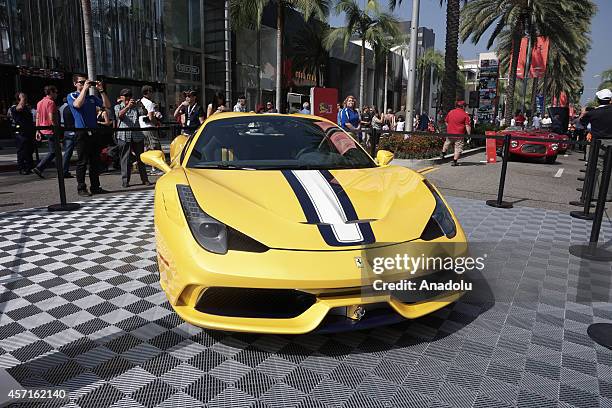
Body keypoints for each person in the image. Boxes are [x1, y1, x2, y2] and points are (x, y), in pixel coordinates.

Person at [67, 74, 112, 196]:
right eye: (81, 82)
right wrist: (85, 88)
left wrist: (101, 90)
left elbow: (107, 105)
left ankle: (95, 186)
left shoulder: (91, 98)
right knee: (82, 161)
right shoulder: (72, 96)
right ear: (75, 84)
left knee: (95, 161)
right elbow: (77, 105)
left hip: (94, 131)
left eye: (85, 82)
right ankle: (81, 188)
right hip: (81, 131)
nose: (83, 84)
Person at [115, 88, 150, 188]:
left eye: (130, 95)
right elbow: (119, 115)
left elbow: (145, 113)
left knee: (141, 159)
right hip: (123, 136)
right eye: (125, 96)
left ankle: (145, 179)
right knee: (125, 159)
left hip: (137, 136)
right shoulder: (118, 106)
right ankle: (125, 181)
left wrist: (141, 105)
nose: (128, 97)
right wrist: (127, 107)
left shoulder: (135, 107)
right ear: (121, 97)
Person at [31, 85, 59, 178]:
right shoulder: (51, 102)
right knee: (54, 151)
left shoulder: (40, 102)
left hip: (43, 129)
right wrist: (56, 127)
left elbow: (38, 117)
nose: (56, 94)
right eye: (55, 92)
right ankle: (39, 167)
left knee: (55, 151)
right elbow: (51, 117)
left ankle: (61, 169)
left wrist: (37, 130)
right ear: (51, 92)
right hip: (50, 130)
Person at [8, 92, 35, 174]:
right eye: (24, 98)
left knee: (29, 150)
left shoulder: (26, 107)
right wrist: (22, 98)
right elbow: (19, 108)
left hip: (28, 132)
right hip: (20, 133)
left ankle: (29, 167)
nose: (26, 99)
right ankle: (22, 168)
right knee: (22, 150)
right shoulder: (14, 108)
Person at [441, 100, 471, 166]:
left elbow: (446, 121)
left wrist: (450, 127)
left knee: (447, 142)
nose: (465, 107)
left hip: (450, 133)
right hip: (459, 135)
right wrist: (469, 135)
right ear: (463, 106)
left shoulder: (451, 112)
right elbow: (467, 126)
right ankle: (454, 161)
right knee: (458, 147)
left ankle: (443, 153)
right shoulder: (465, 115)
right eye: (465, 106)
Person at [59, 97, 76, 178]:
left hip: (66, 131)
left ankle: (64, 170)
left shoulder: (64, 108)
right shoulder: (72, 109)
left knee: (67, 152)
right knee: (70, 152)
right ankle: (64, 171)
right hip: (73, 131)